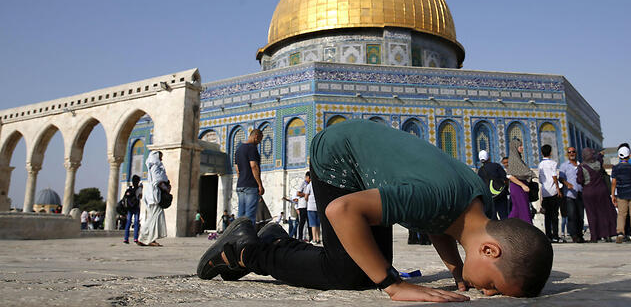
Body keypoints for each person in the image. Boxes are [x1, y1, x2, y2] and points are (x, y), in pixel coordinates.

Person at [197, 120, 552, 301]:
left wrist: (457, 268)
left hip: (368, 158)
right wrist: (394, 287)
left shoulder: (476, 205)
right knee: (351, 274)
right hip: (339, 158)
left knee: (371, 265)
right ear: (490, 249)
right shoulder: (434, 197)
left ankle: (275, 239)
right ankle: (244, 250)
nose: (486, 292)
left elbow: (439, 225)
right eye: (493, 285)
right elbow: (340, 211)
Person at [577, 148, 617, 242]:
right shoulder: (598, 163)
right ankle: (607, 234)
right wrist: (600, 154)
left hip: (589, 192)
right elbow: (600, 157)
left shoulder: (582, 167)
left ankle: (594, 236)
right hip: (602, 190)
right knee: (604, 213)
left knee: (592, 214)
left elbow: (579, 180)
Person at [138, 150, 170, 247]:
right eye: (160, 156)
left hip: (152, 194)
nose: (161, 159)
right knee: (154, 217)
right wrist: (165, 187)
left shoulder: (154, 166)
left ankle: (145, 238)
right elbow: (157, 180)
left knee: (153, 217)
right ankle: (147, 238)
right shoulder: (155, 166)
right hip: (154, 195)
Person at [234, 129, 264, 224]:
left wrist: (242, 180)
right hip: (250, 186)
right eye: (260, 139)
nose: (259, 142)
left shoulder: (238, 150)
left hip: (240, 185)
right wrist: (260, 184)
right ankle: (248, 238)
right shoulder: (252, 148)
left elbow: (237, 169)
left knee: (241, 216)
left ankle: (240, 237)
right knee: (250, 217)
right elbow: (253, 166)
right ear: (256, 137)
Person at [611, 146, 631, 243]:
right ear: (628, 156)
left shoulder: (615, 168)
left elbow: (614, 182)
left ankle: (620, 232)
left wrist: (613, 195)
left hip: (621, 193)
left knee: (621, 214)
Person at [559, 147, 585, 243]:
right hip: (569, 194)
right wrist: (567, 184)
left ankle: (580, 234)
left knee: (580, 215)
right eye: (569, 152)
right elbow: (561, 178)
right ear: (567, 154)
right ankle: (574, 235)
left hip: (580, 193)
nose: (571, 153)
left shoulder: (580, 165)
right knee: (572, 215)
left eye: (573, 152)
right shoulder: (564, 166)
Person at [506, 139, 535, 223]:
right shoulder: (513, 159)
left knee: (516, 210)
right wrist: (523, 185)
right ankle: (529, 230)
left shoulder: (518, 159)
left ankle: (508, 227)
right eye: (520, 146)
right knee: (524, 210)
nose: (522, 147)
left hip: (520, 187)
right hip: (518, 187)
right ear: (515, 147)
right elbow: (509, 175)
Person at [538, 145, 561, 242]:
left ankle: (548, 235)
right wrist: (558, 188)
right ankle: (555, 235)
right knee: (554, 215)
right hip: (553, 191)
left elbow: (540, 179)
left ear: (542, 153)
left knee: (547, 216)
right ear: (551, 153)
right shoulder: (553, 163)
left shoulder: (540, 165)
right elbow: (554, 176)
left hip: (545, 191)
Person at [477, 150, 508, 220]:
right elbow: (505, 178)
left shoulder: (480, 171)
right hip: (500, 194)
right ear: (489, 158)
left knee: (492, 217)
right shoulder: (496, 166)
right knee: (504, 215)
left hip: (489, 197)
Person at [123, 175, 142, 244]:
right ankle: (135, 238)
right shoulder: (138, 189)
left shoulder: (129, 188)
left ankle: (126, 238)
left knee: (128, 222)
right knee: (136, 222)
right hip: (136, 207)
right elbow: (140, 196)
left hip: (129, 208)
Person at [304, 179, 321, 245]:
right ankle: (318, 239)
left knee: (313, 224)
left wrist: (308, 200)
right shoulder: (318, 184)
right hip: (318, 207)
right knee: (318, 224)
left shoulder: (309, 185)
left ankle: (314, 239)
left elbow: (306, 196)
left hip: (311, 207)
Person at [297, 172, 311, 240]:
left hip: (308, 206)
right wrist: (306, 194)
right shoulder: (303, 183)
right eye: (310, 178)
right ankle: (300, 237)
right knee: (302, 222)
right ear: (307, 177)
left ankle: (311, 237)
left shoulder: (309, 184)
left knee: (309, 222)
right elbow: (298, 193)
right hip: (302, 205)